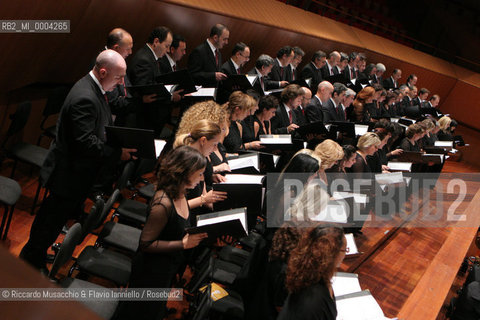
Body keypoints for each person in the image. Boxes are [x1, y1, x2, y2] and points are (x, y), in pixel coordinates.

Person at [20, 50, 136, 271]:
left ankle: (34, 255)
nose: (122, 83)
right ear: (103, 72)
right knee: (49, 222)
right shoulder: (85, 96)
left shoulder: (95, 88)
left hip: (75, 173)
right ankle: (29, 264)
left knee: (52, 221)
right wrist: (116, 153)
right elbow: (85, 142)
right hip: (67, 174)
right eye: (119, 77)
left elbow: (97, 129)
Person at [114, 146, 208, 320]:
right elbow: (145, 244)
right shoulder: (162, 204)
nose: (202, 178)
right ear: (186, 173)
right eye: (200, 173)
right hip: (150, 272)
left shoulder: (181, 193)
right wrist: (183, 244)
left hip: (166, 266)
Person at [278, 224, 346, 320]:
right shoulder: (315, 300)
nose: (345, 254)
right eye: (345, 250)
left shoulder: (309, 273)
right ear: (334, 255)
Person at [128, 26, 179, 136]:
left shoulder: (151, 57)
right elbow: (145, 90)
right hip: (143, 118)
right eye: (166, 46)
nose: (168, 51)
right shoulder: (144, 59)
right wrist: (170, 95)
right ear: (156, 42)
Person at [174, 120, 228, 218]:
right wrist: (203, 200)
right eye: (214, 144)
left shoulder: (202, 158)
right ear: (203, 140)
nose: (215, 148)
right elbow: (173, 208)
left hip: (196, 213)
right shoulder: (185, 162)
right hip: (183, 219)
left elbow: (203, 194)